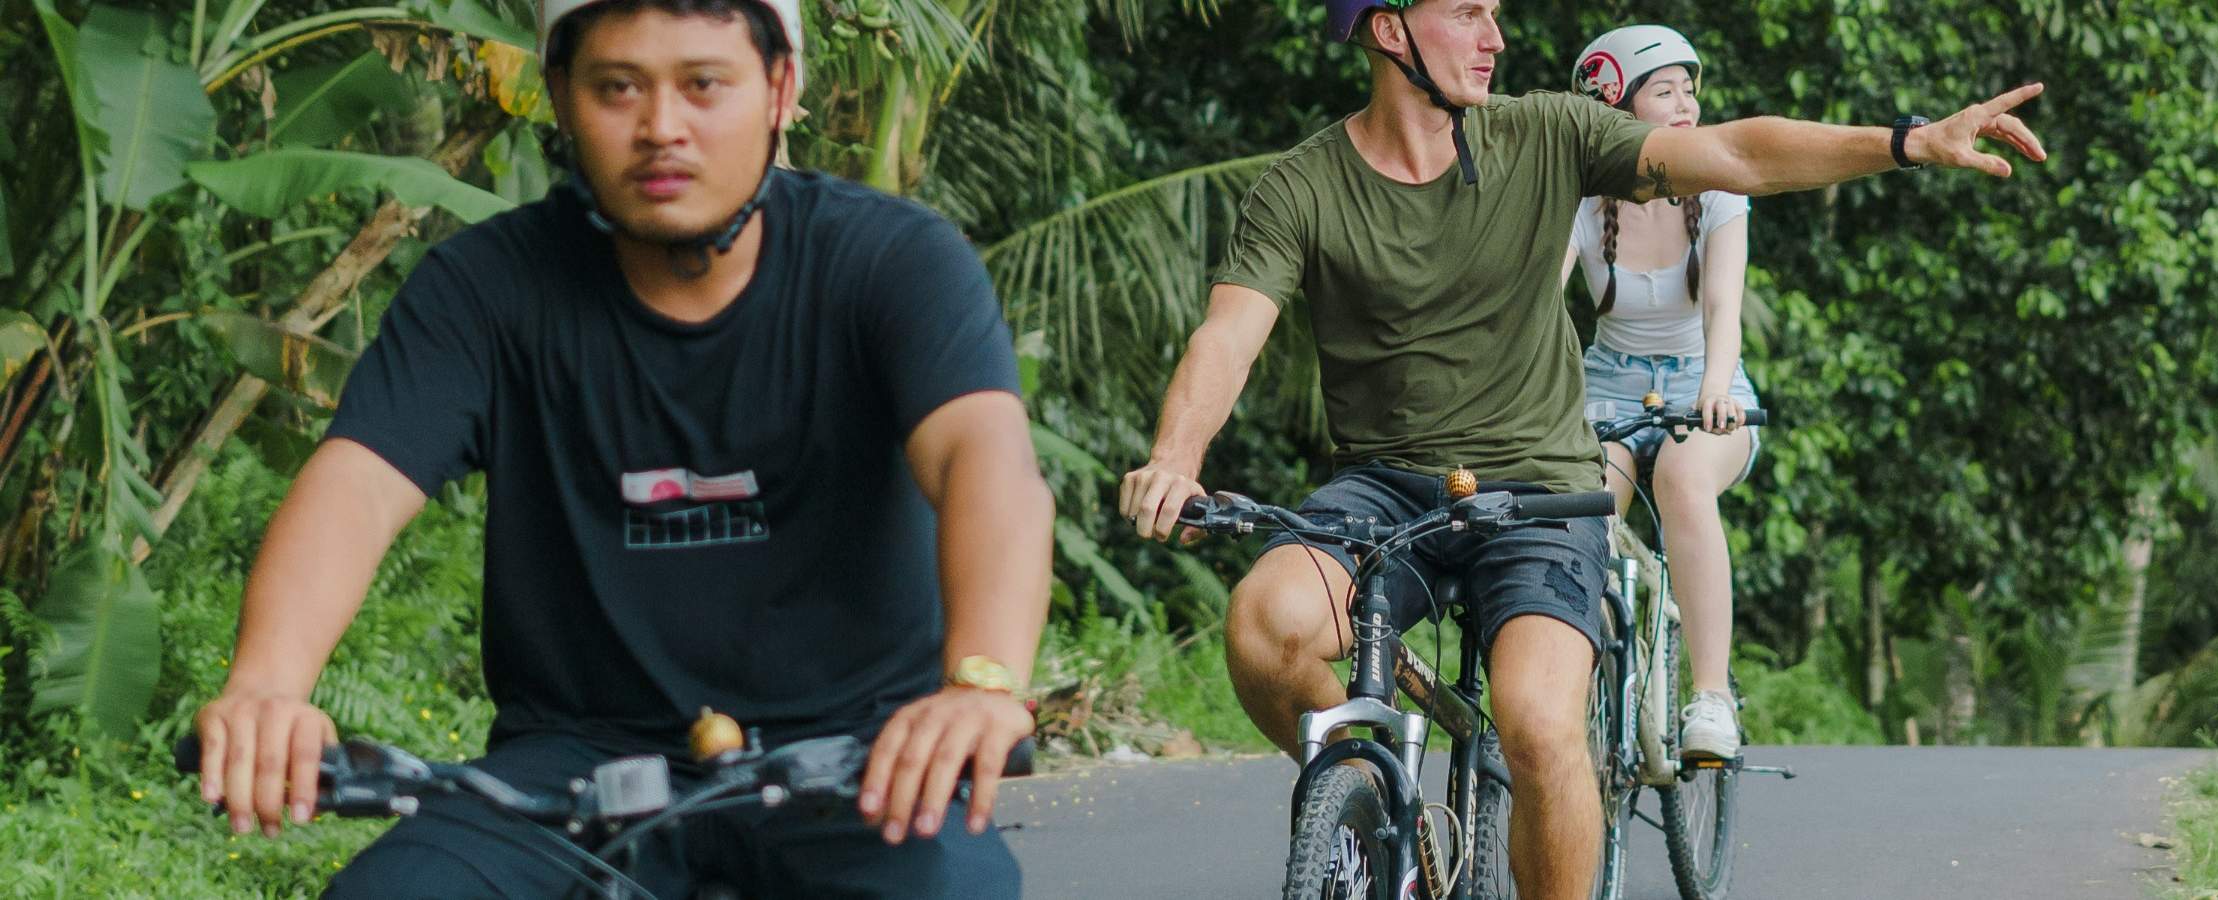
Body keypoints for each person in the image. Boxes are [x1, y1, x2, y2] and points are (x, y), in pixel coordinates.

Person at [1114, 1, 2046, 895]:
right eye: (1469, 15)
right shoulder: (1305, 184)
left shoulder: (1546, 133)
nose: (1496, 38)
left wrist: (1907, 141)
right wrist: (1175, 458)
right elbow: (1229, 335)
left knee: (1541, 724)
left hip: (1540, 496)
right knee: (1263, 629)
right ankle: (1379, 809)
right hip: (1385, 490)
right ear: (1391, 30)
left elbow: (1730, 151)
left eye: (1495, 15)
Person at [187, 0, 1055, 895]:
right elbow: (359, 486)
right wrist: (266, 685)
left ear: (779, 88)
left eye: (704, 84)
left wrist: (981, 681)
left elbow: (982, 461)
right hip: (569, 775)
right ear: (561, 97)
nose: (662, 128)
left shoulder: (892, 262)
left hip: (855, 767)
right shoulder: (485, 291)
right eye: (617, 89)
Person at [1558, 23, 1759, 762]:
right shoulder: (1580, 200)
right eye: (1663, 91)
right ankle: (1572, 686)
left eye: (1690, 91)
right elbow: (1543, 310)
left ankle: (1708, 699)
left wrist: (1713, 389)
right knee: (1582, 502)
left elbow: (1723, 311)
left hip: (1707, 381)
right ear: (1617, 108)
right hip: (1606, 387)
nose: (1685, 107)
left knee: (1681, 476)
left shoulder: (1720, 187)